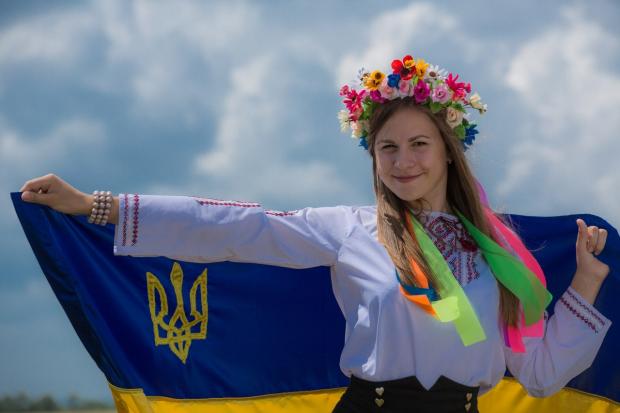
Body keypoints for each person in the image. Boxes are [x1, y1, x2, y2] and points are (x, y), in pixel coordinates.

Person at [19, 53, 611, 413]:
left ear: (448, 152)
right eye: (387, 148)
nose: (403, 161)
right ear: (373, 157)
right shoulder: (352, 230)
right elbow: (238, 228)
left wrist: (585, 281)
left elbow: (539, 375)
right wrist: (97, 206)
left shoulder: (499, 255)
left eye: (418, 144)